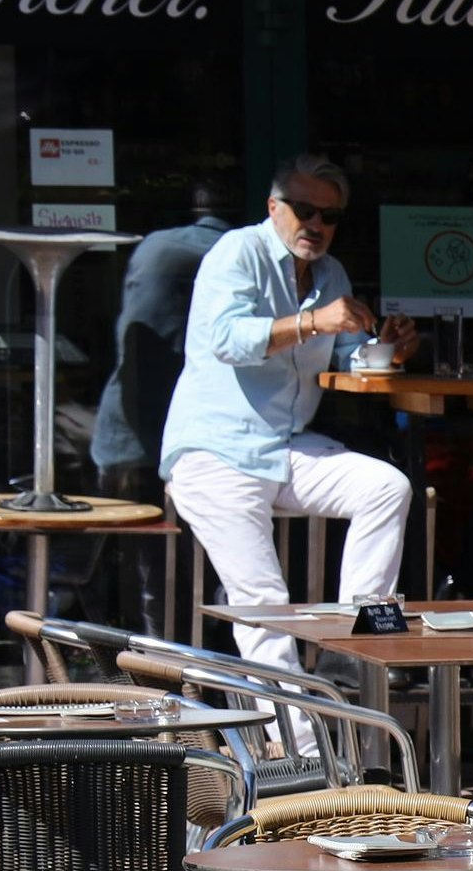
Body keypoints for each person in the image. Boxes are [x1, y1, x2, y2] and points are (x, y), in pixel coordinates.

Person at [159, 153, 421, 675]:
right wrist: (312, 321)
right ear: (274, 207)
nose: (317, 226)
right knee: (265, 603)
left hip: (284, 449)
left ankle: (358, 650)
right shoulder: (237, 251)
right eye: (305, 211)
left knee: (388, 487)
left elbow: (349, 358)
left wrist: (386, 349)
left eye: (331, 217)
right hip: (217, 454)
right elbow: (228, 340)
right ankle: (301, 749)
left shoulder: (331, 274)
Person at [90, 180, 235, 497]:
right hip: (188, 443)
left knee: (128, 540)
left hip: (123, 437)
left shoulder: (154, 247)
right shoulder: (237, 256)